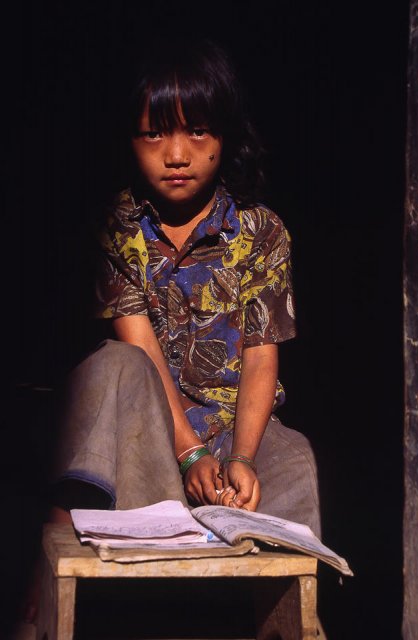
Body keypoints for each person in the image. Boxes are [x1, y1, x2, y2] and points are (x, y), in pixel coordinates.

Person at [49, 36, 320, 535]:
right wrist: (190, 454)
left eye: (196, 131)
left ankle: (286, 608)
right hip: (149, 430)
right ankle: (66, 537)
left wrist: (242, 457)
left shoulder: (261, 232)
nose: (176, 155)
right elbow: (142, 350)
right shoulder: (118, 229)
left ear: (225, 136)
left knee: (296, 462)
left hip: (236, 426)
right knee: (113, 361)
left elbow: (261, 355)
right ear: (129, 140)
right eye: (153, 135)